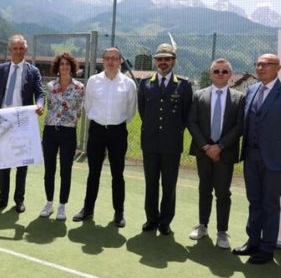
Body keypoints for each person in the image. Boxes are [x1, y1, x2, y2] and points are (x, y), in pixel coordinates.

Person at [232, 53, 281, 264]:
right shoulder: (251, 90)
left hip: (275, 160)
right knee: (253, 201)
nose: (261, 68)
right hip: (251, 156)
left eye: (266, 64)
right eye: (258, 64)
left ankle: (267, 249)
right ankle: (253, 242)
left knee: (270, 204)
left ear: (278, 68)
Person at [73, 47, 137, 228]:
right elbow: (88, 105)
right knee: (93, 173)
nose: (111, 62)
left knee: (118, 174)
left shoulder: (128, 84)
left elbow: (131, 111)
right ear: (103, 61)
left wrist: (117, 122)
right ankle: (88, 209)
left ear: (120, 61)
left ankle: (119, 212)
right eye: (108, 58)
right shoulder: (93, 81)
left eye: (115, 58)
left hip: (118, 132)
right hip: (97, 131)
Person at [187, 58, 245, 249]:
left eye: (225, 71)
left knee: (223, 193)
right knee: (204, 189)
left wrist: (219, 147)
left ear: (230, 75)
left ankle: (222, 231)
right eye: (217, 71)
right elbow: (192, 122)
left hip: (225, 153)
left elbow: (239, 126)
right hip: (203, 152)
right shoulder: (199, 95)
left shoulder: (239, 98)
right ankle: (203, 226)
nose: (221, 74)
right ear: (211, 74)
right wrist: (206, 146)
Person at [138, 43, 192, 235]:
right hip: (150, 143)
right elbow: (143, 111)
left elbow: (186, 115)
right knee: (151, 183)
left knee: (169, 185)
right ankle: (151, 219)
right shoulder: (145, 84)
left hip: (172, 144)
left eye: (167, 59)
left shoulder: (184, 86)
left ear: (173, 62)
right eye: (159, 59)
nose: (163, 62)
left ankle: (165, 221)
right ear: (155, 61)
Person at [0, 34, 44, 213]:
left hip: (23, 121)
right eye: (15, 48)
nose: (18, 51)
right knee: (3, 162)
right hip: (2, 120)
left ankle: (19, 200)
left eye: (21, 48)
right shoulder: (0, 70)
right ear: (10, 50)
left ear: (26, 50)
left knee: (21, 162)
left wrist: (40, 104)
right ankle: (2, 198)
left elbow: (40, 93)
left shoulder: (33, 71)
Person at [40, 53, 84, 221]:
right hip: (50, 131)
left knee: (66, 170)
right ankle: (49, 203)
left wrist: (67, 118)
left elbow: (78, 111)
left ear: (72, 67)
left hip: (68, 132)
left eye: (67, 64)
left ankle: (62, 206)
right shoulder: (50, 86)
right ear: (57, 67)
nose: (64, 66)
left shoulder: (79, 87)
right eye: (61, 64)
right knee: (49, 169)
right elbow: (48, 107)